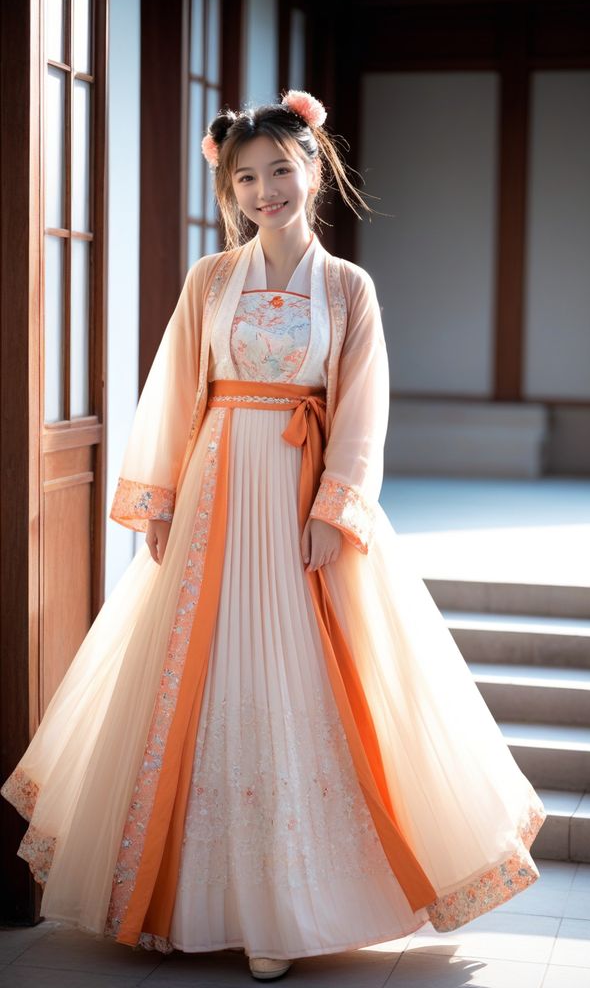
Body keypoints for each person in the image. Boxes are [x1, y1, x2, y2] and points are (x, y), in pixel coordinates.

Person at [1, 90, 547, 983]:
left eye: (280, 172)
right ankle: (185, 900)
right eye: (246, 177)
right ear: (231, 188)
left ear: (314, 172)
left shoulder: (347, 287)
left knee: (300, 671)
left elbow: (363, 412)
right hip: (216, 490)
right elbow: (175, 386)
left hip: (299, 499)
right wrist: (161, 501)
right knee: (203, 670)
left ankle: (282, 911)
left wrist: (335, 511)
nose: (264, 190)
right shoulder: (210, 281)